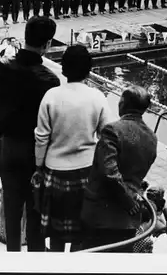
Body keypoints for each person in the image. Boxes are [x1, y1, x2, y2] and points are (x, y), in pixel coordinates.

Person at [0, 16, 60, 252]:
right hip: (35, 151)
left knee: (12, 206)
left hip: (7, 144)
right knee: (34, 210)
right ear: (47, 44)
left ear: (25, 36)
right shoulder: (49, 80)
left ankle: (13, 256)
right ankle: (35, 258)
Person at [33, 45, 112, 252]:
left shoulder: (51, 96)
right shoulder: (97, 97)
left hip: (55, 170)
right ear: (88, 70)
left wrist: (38, 166)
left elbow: (41, 138)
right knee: (81, 232)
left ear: (64, 68)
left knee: (57, 235)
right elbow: (108, 136)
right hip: (87, 171)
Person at [81, 86, 158, 252]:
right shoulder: (152, 137)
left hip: (101, 214)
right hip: (128, 219)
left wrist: (126, 199)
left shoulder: (112, 130)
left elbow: (109, 172)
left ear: (123, 104)